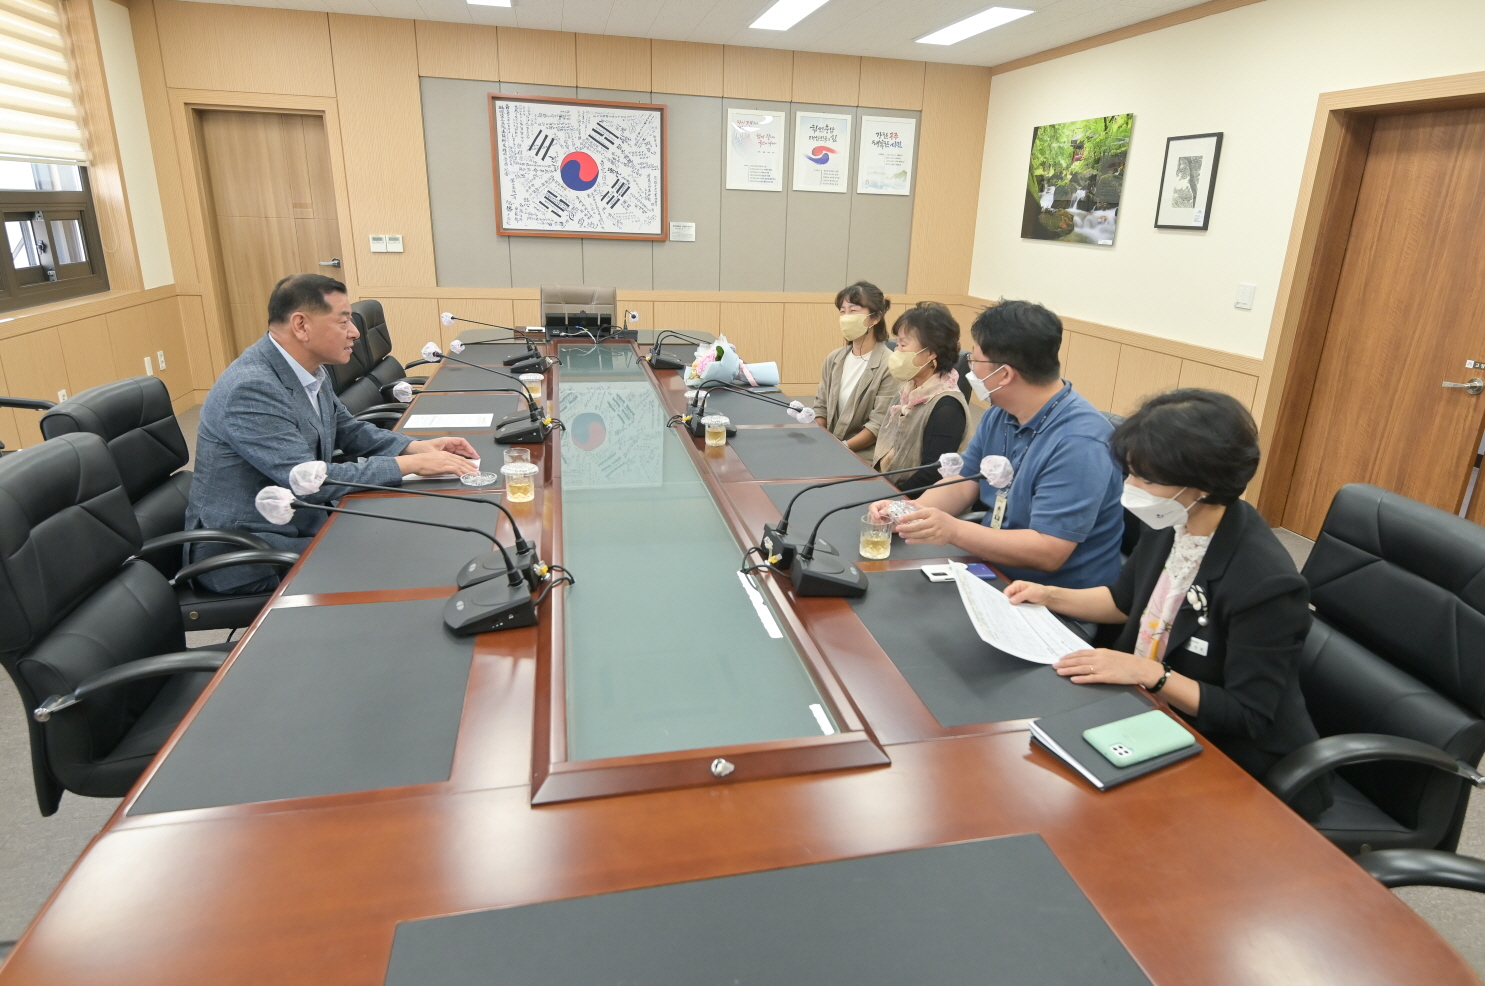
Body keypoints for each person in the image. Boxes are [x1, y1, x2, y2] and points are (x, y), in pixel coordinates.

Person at [1005, 389, 1331, 820]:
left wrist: (1147, 672)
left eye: (1146, 479)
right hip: (1146, 713)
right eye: (1131, 474)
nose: (1131, 488)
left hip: (1230, 756)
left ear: (1203, 485)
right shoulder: (1172, 520)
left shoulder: (1266, 583)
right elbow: (1124, 602)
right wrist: (1049, 596)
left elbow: (1247, 715)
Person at [185, 273, 480, 594]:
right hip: (252, 551)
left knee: (412, 534)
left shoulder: (309, 369)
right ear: (301, 325)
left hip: (303, 523)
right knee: (402, 559)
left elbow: (348, 430)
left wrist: (413, 448)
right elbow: (308, 483)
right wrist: (409, 466)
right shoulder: (251, 388)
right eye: (343, 322)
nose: (355, 332)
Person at [873, 300, 1123, 588]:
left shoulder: (1080, 442)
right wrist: (908, 513)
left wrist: (954, 530)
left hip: (1051, 595)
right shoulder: (1001, 413)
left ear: (1004, 374)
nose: (969, 370)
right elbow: (963, 481)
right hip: (991, 567)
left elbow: (1049, 551)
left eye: (975, 361)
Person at [871, 301, 969, 494]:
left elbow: (931, 474)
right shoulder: (908, 389)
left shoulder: (947, 407)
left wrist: (891, 497)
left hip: (914, 499)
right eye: (897, 344)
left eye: (903, 345)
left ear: (931, 353)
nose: (896, 351)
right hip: (888, 486)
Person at [811, 281, 899, 462]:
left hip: (864, 454)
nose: (846, 317)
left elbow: (877, 426)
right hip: (831, 446)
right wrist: (820, 439)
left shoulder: (890, 365)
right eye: (842, 311)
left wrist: (841, 448)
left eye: (853, 311)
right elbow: (821, 408)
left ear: (876, 318)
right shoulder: (834, 359)